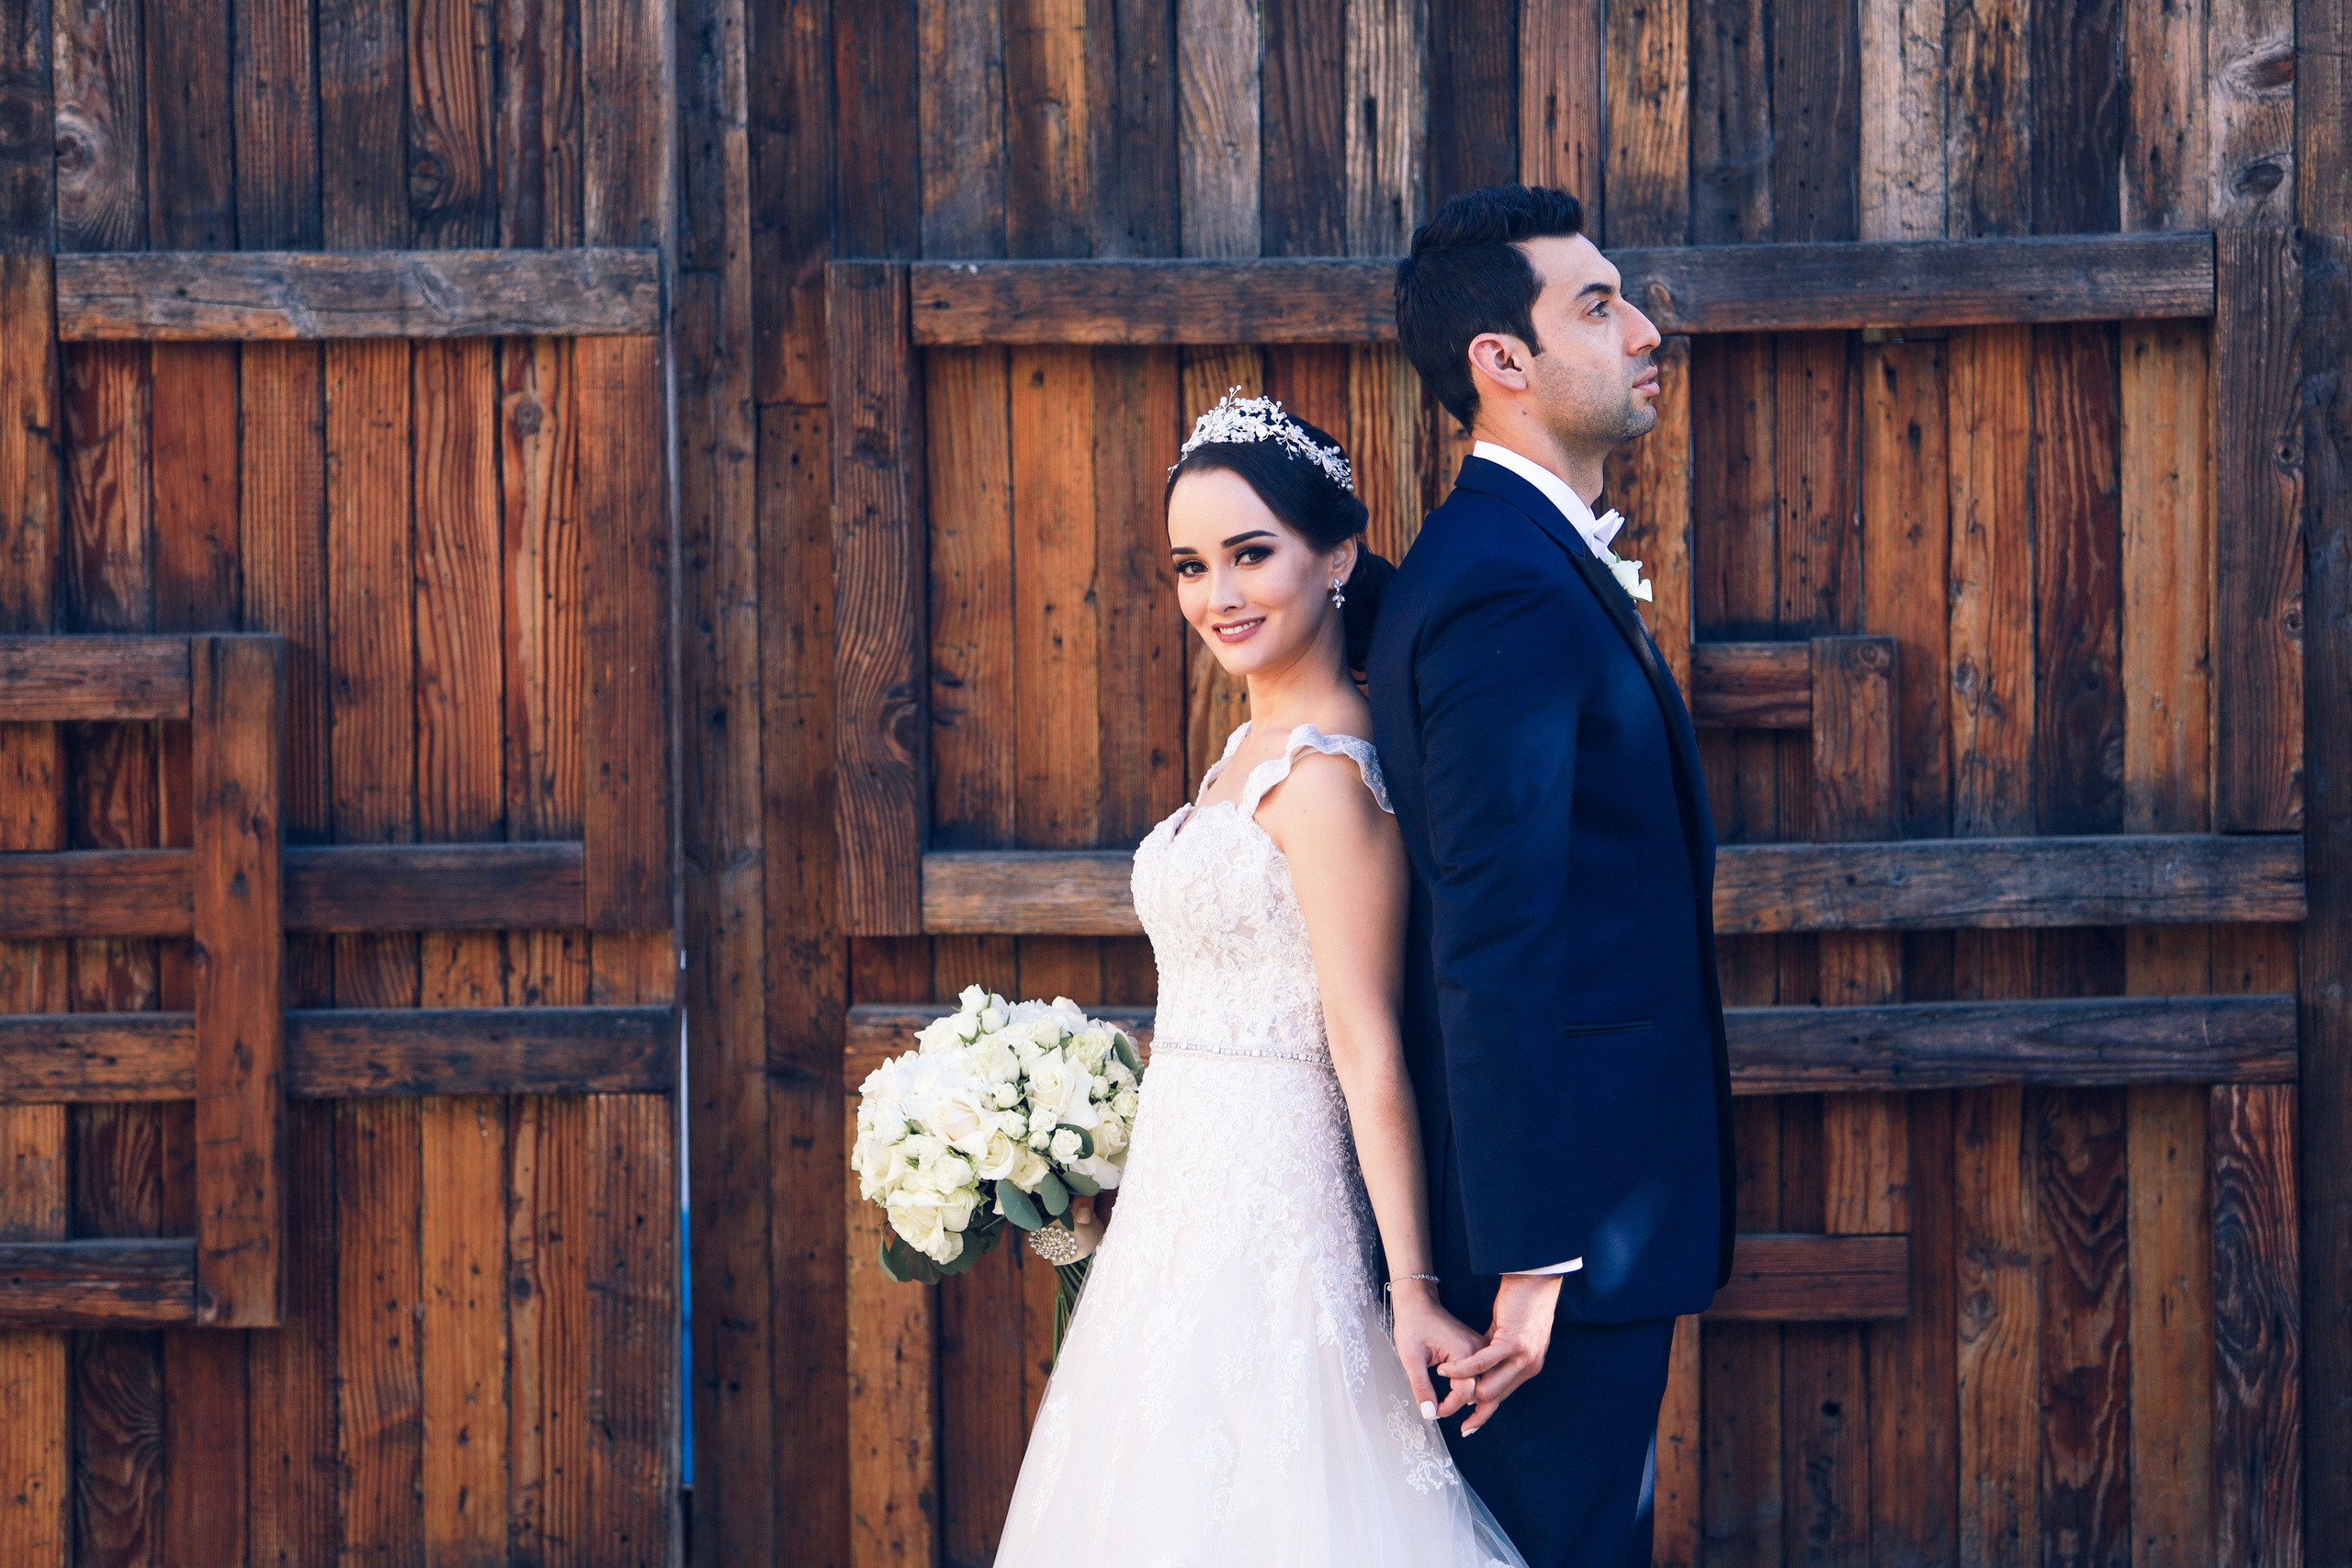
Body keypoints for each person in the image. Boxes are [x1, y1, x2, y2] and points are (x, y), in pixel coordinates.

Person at [992, 392, 1525, 1565]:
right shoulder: (1243, 750)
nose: (1217, 596)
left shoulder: (1329, 775)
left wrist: (1412, 1283)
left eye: (1250, 555)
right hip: (1174, 1205)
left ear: (1335, 556)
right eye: (1190, 565)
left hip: (1274, 1208)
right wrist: (1084, 1137)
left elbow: (1366, 1045)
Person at [1365, 183, 1736, 1568]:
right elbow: (1494, 931)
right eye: (1599, 303)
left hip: (1581, 1214)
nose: (1645, 328)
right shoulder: (1501, 588)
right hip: (1553, 1237)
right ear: (1499, 363)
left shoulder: (1516, 561)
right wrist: (1535, 1257)